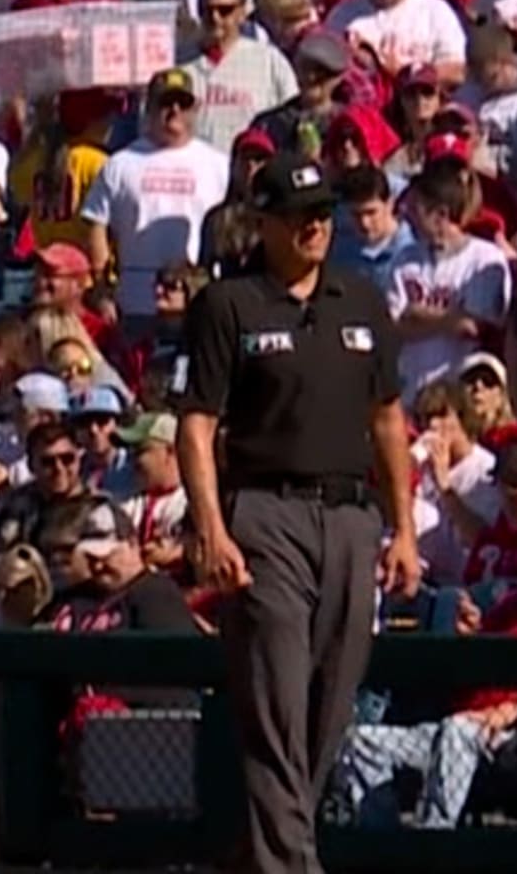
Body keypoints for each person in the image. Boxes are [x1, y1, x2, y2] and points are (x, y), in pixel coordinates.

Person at [177, 151, 423, 874]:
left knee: (332, 703)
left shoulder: (360, 299)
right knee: (275, 698)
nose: (313, 228)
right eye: (297, 217)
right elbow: (197, 424)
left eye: (321, 215)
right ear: (264, 223)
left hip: (351, 514)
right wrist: (211, 526)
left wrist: (405, 528)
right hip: (267, 511)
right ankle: (292, 865)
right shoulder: (230, 303)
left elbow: (388, 419)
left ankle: (256, 856)